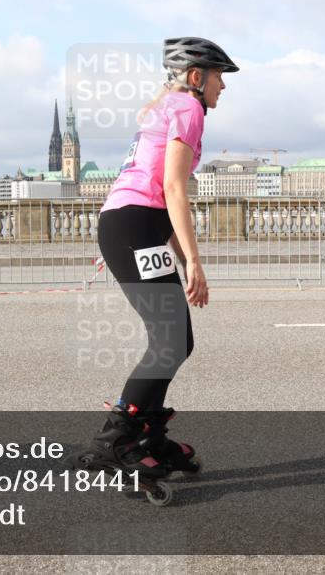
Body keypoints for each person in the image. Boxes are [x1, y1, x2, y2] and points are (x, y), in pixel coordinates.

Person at [83, 37, 238, 481]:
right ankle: (114, 441)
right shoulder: (188, 109)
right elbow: (173, 188)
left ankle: (146, 432)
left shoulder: (168, 107)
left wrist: (176, 252)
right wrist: (193, 260)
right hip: (133, 227)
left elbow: (157, 199)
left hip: (134, 226)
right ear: (197, 77)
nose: (223, 87)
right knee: (170, 340)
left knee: (175, 340)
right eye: (219, 76)